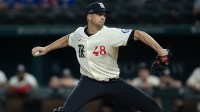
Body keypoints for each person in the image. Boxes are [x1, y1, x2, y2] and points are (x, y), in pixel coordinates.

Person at [32, 2, 170, 112]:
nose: (103, 17)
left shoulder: (111, 33)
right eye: (99, 14)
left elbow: (139, 34)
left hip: (114, 83)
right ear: (89, 16)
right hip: (89, 83)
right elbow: (68, 39)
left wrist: (161, 51)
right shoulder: (79, 33)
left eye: (104, 14)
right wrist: (46, 48)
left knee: (151, 105)